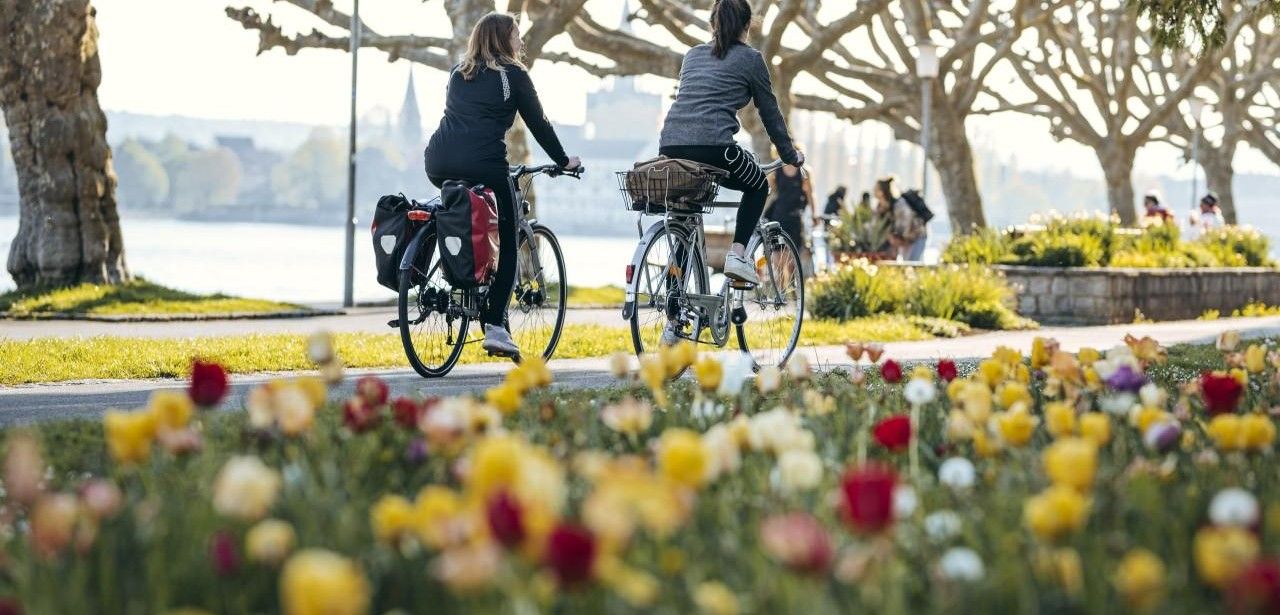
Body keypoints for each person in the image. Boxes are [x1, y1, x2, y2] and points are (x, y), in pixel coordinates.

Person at [423, 12, 581, 356]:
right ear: (501, 39)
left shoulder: (457, 72)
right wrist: (562, 159)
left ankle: (456, 284)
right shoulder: (513, 75)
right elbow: (538, 123)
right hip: (485, 165)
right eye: (516, 35)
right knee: (509, 241)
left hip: (437, 160)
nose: (521, 41)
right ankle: (494, 324)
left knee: (462, 216)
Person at [657, 0, 804, 292]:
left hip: (671, 145)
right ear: (747, 26)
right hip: (714, 147)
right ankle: (737, 256)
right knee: (758, 184)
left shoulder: (692, 55)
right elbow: (770, 112)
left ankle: (675, 304)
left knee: (688, 215)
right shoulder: (751, 59)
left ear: (713, 24)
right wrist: (789, 154)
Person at [764, 150, 817, 264]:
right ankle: (779, 281)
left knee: (792, 256)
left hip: (795, 217)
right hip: (778, 216)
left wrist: (814, 214)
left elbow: (810, 194)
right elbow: (769, 192)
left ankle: (791, 281)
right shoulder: (776, 171)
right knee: (777, 254)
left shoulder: (804, 172)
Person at [874, 176, 927, 261]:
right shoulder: (882, 207)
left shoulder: (899, 205)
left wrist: (896, 238)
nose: (874, 191)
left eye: (876, 189)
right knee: (905, 265)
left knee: (911, 264)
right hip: (904, 241)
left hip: (916, 237)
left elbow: (904, 225)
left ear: (882, 192)